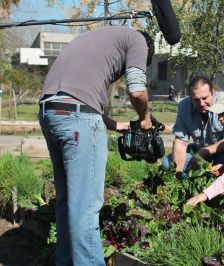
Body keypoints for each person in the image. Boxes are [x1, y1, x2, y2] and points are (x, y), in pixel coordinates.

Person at [38, 26, 154, 266]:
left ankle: (66, 262)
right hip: (77, 117)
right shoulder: (137, 40)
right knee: (85, 208)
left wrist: (115, 124)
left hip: (50, 111)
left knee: (67, 201)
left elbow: (72, 99)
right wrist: (144, 117)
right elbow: (137, 90)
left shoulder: (97, 38)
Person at [162, 76, 224, 178]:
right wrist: (177, 173)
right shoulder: (184, 106)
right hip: (198, 152)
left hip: (222, 153)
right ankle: (191, 180)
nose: (201, 104)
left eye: (205, 98)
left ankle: (212, 179)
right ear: (190, 97)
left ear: (213, 92)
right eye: (196, 100)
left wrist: (205, 152)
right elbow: (181, 142)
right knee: (167, 164)